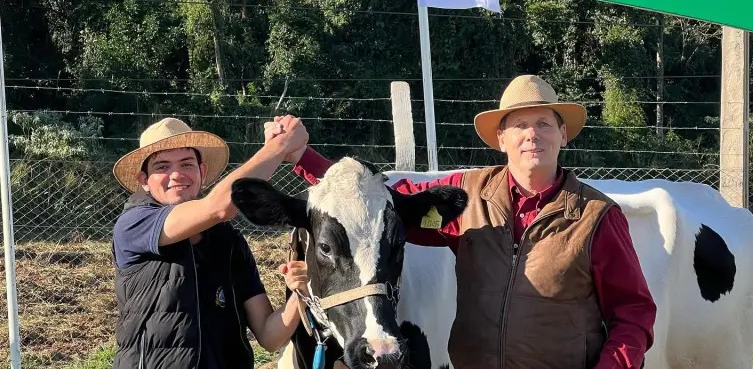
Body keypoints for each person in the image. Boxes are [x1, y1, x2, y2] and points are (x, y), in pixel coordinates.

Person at [267, 75, 657, 369]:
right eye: (519, 126)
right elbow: (377, 201)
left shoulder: (596, 216)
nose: (532, 135)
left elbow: (634, 313)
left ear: (563, 134)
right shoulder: (469, 194)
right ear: (501, 138)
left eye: (544, 123)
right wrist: (303, 156)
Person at [110, 117, 311, 369]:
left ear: (202, 172)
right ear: (144, 181)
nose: (176, 174)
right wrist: (279, 146)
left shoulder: (229, 242)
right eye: (162, 166)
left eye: (186, 163)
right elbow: (217, 207)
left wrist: (300, 293)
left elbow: (270, 337)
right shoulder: (135, 224)